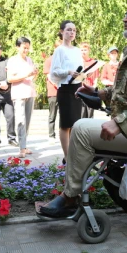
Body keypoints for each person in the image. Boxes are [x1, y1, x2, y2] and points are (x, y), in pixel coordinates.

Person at [39, 0, 127, 217]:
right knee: (81, 128)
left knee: (81, 129)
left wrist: (120, 122)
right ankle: (74, 194)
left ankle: (71, 198)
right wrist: (98, 94)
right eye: (126, 14)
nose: (125, 18)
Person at [48, 20, 83, 159]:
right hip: (65, 88)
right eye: (68, 30)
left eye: (74, 30)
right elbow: (54, 72)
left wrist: (83, 74)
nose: (72, 33)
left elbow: (80, 68)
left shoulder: (77, 50)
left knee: (75, 124)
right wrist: (68, 72)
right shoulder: (59, 50)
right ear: (62, 32)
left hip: (77, 88)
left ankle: (73, 153)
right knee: (66, 124)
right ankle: (67, 156)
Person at [7, 37, 38, 158]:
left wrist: (35, 74)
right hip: (19, 94)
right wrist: (26, 74)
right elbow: (10, 79)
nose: (26, 50)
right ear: (17, 47)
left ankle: (24, 145)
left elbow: (31, 78)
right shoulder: (12, 60)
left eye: (27, 48)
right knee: (21, 121)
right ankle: (21, 148)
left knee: (28, 121)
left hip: (30, 92)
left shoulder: (29, 60)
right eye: (24, 48)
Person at [43, 40, 62, 141]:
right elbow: (49, 76)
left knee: (62, 114)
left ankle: (61, 134)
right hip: (53, 91)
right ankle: (51, 135)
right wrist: (57, 84)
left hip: (63, 91)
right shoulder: (49, 60)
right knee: (52, 114)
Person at [80, 42, 100, 119]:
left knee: (90, 112)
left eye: (85, 50)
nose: (83, 52)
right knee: (82, 113)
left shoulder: (93, 62)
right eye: (81, 50)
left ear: (88, 51)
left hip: (90, 89)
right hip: (81, 89)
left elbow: (96, 77)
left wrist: (93, 89)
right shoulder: (78, 62)